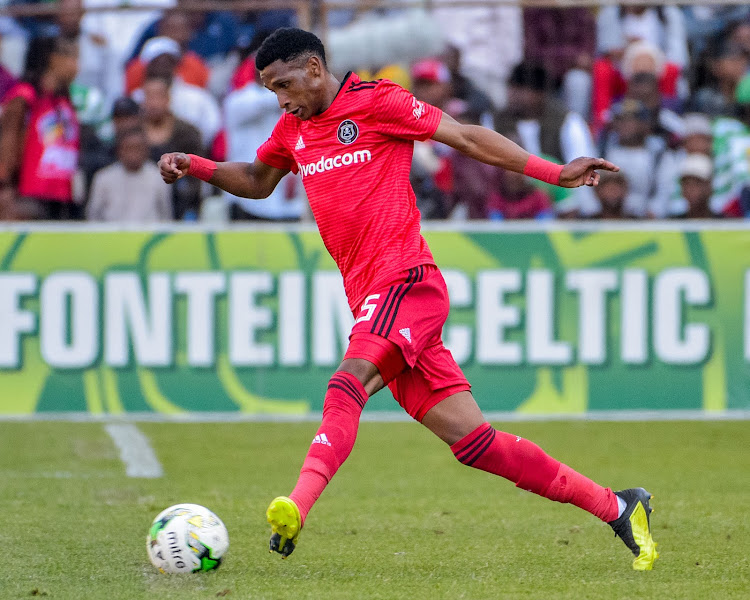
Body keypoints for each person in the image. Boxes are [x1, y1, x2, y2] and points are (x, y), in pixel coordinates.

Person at [158, 28, 658, 571]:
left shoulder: (376, 102)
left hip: (405, 283)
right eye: (270, 90)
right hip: (373, 297)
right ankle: (618, 505)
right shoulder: (293, 129)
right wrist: (198, 165)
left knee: (347, 384)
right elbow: (257, 181)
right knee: (475, 443)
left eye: (284, 85)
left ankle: (296, 506)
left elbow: (465, 137)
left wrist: (553, 173)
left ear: (315, 69)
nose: (280, 99)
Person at [0, 35, 79, 220]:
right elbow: (8, 141)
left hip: (61, 195)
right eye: (72, 58)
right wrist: (5, 182)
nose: (76, 65)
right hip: (30, 196)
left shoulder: (63, 99)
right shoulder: (25, 95)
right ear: (53, 59)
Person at [87, 127, 171, 222]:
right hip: (112, 234)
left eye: (138, 148)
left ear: (146, 151)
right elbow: (93, 215)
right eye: (128, 148)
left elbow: (165, 214)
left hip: (149, 234)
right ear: (119, 151)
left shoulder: (159, 177)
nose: (133, 154)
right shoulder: (103, 177)